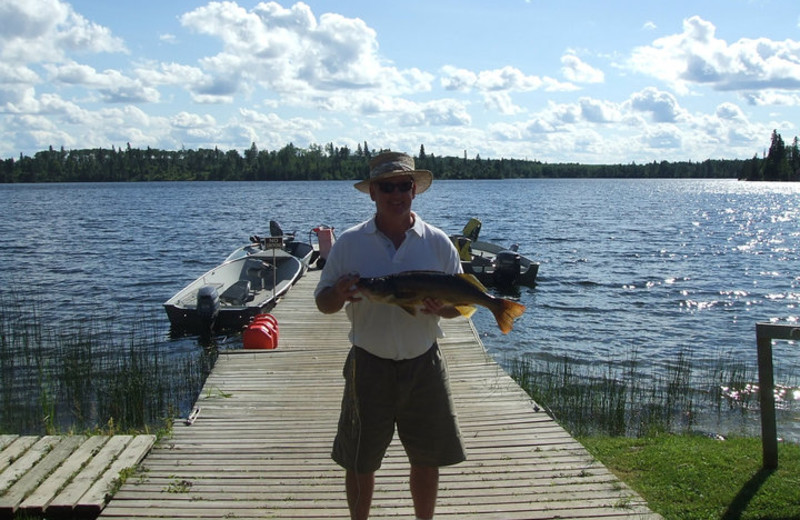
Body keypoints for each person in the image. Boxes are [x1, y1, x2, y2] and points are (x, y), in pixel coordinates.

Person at [314, 151, 466, 520]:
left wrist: (440, 308)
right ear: (373, 193)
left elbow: (458, 305)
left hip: (424, 364)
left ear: (414, 190)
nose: (396, 194)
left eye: (403, 186)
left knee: (428, 459)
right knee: (359, 460)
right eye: (386, 187)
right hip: (368, 366)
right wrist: (338, 294)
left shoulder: (438, 242)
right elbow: (322, 302)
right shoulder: (350, 243)